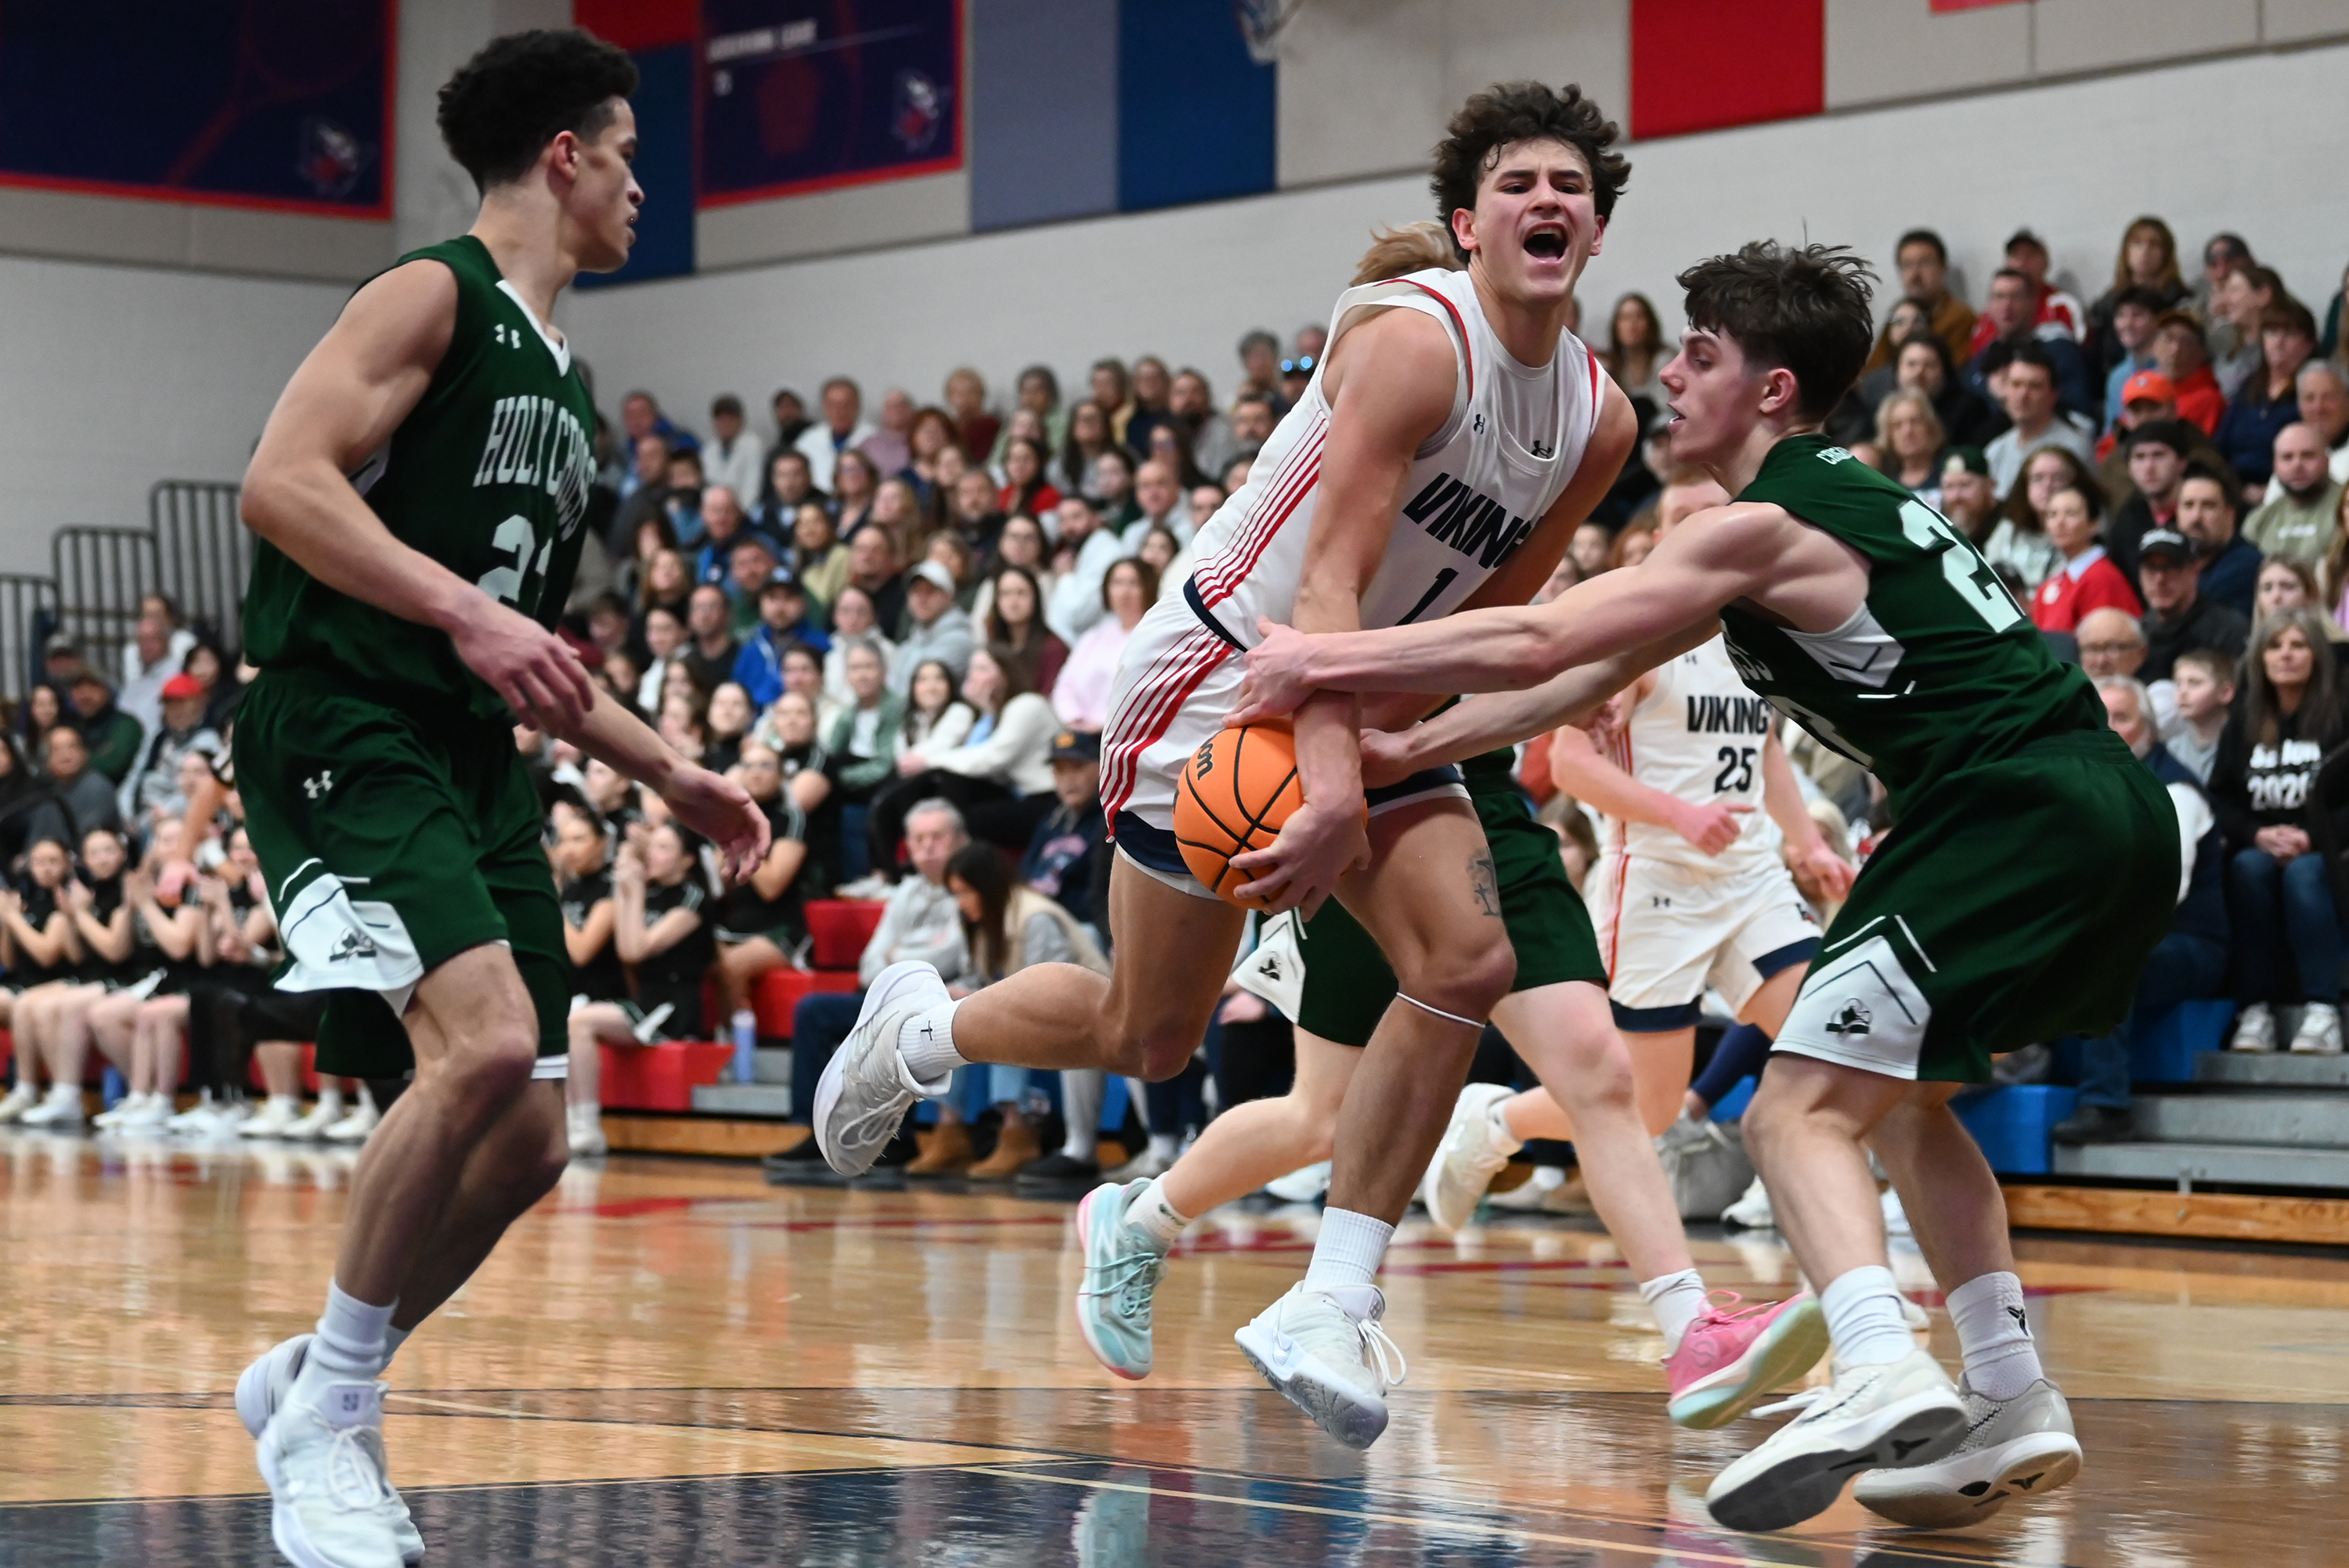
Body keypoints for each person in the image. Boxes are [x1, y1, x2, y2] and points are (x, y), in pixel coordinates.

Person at [1230, 240, 2179, 1530]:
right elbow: (1567, 686)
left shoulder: (1763, 523)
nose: (1670, 375)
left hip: (2011, 809)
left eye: (1700, 355)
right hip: (2106, 812)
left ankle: (1878, 1361)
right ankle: (2010, 1391)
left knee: (1793, 1110)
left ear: (1772, 388)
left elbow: (1540, 631)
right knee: (1903, 1105)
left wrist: (1325, 656)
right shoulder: (1814, 516)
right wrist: (1409, 748)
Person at [808, 84, 1639, 1460]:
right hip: (1222, 676)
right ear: (1465, 224)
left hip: (1364, 681)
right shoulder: (1414, 346)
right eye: (1518, 183)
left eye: (1572, 186)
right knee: (1149, 1033)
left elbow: (1493, 617)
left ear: (1597, 230)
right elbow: (1323, 589)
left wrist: (1408, 747)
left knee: (1466, 956)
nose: (1548, 200)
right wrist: (1331, 786)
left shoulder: (1597, 423)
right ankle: (921, 1030)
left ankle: (1331, 1299)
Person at [226, 32, 766, 1563]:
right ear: (565, 156)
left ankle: (311, 1377)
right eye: (630, 155)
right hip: (347, 716)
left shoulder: (566, 384)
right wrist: (461, 610)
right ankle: (328, 1421)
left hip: (468, 749)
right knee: (482, 1043)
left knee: (529, 1135)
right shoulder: (433, 294)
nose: (646, 187)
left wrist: (673, 769)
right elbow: (279, 480)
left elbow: (523, 649)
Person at [2051, 675, 2227, 1143]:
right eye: (2099, 718)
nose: (2108, 729)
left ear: (2149, 729)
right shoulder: (2081, 788)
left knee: (2106, 956)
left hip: (2189, 943)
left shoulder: (2176, 790)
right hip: (2112, 931)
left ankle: (2107, 1106)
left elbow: (2165, 891)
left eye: (2122, 718)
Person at [765, 798, 971, 1177]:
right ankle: (817, 1130)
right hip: (885, 994)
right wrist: (912, 956)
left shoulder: (969, 888)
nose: (927, 847)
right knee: (813, 1011)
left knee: (902, 1025)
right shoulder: (905, 891)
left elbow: (950, 956)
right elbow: (869, 963)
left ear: (960, 840)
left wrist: (900, 954)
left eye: (937, 837)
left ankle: (897, 1138)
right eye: (919, 839)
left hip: (936, 999)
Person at [2210, 607, 2349, 1055]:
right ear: (2260, 658)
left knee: (2305, 875)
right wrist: (2257, 835)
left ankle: (2323, 1010)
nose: (2286, 655)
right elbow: (2220, 798)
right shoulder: (2244, 720)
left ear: (2317, 655)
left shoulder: (2340, 713)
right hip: (2263, 845)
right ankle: (2256, 1010)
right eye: (2275, 646)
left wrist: (2315, 837)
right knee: (2248, 869)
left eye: (2298, 645)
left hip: (2332, 851)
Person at [565, 821, 720, 1154]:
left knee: (580, 1021)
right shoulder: (650, 893)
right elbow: (625, 950)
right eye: (652, 847)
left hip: (674, 1006)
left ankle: (587, 1124)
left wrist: (632, 892)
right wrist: (626, 890)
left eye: (664, 849)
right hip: (645, 1001)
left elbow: (637, 950)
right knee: (573, 1020)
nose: (653, 855)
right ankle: (575, 1121)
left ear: (687, 860)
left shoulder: (693, 899)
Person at [2214, 301, 2318, 499]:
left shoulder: (2311, 392)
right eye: (2271, 333)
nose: (2278, 343)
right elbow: (2220, 445)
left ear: (2308, 345)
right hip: (2233, 490)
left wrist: (2270, 492)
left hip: (2285, 493)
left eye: (2290, 335)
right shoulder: (2250, 386)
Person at [1052, 558, 1156, 733]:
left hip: (1124, 731)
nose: (1124, 592)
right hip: (1078, 730)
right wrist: (1074, 717)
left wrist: (1102, 723)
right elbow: (1065, 685)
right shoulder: (1093, 637)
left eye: (1133, 583)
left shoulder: (1153, 637)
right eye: (1117, 583)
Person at [2136, 528, 2250, 683]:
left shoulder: (2228, 631)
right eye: (2151, 568)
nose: (2160, 579)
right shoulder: (2135, 636)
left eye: (2170, 567)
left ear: (2194, 570)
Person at [1982, 342, 2095, 499]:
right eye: (2016, 384)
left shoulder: (2073, 448)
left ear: (2053, 395)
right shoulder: (1994, 452)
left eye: (2034, 386)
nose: (2022, 395)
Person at [2030, 478, 2142, 633]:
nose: (2059, 523)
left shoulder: (2102, 578)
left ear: (2094, 523)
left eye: (2071, 514)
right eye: (2052, 515)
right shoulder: (2052, 584)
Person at [1860, 229, 1976, 370]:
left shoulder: (1960, 317)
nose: (1915, 275)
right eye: (1907, 265)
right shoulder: (1899, 312)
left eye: (1925, 264)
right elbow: (1872, 372)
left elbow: (1952, 373)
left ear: (1942, 268)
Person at [2243, 424, 2343, 567]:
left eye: (2308, 455)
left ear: (2327, 460)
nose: (2297, 465)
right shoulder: (2258, 521)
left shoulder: (2345, 507)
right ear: (2275, 465)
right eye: (2287, 457)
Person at [2175, 466, 2263, 619]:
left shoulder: (2246, 565)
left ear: (2230, 515)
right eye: (2188, 505)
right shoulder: (2173, 560)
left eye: (2208, 506)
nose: (2196, 517)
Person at [889, 560, 975, 693]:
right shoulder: (911, 642)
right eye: (916, 591)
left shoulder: (959, 641)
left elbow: (920, 690)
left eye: (930, 592)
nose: (922, 599)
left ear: (949, 597)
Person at [2162, 646, 2235, 784]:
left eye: (2195, 683)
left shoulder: (2241, 746)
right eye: (2178, 684)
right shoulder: (2173, 749)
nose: (2182, 692)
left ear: (2225, 693)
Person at [793, 376, 875, 493]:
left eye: (846, 405)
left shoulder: (875, 439)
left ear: (858, 406)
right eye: (833, 405)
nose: (839, 411)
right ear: (824, 407)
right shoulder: (808, 441)